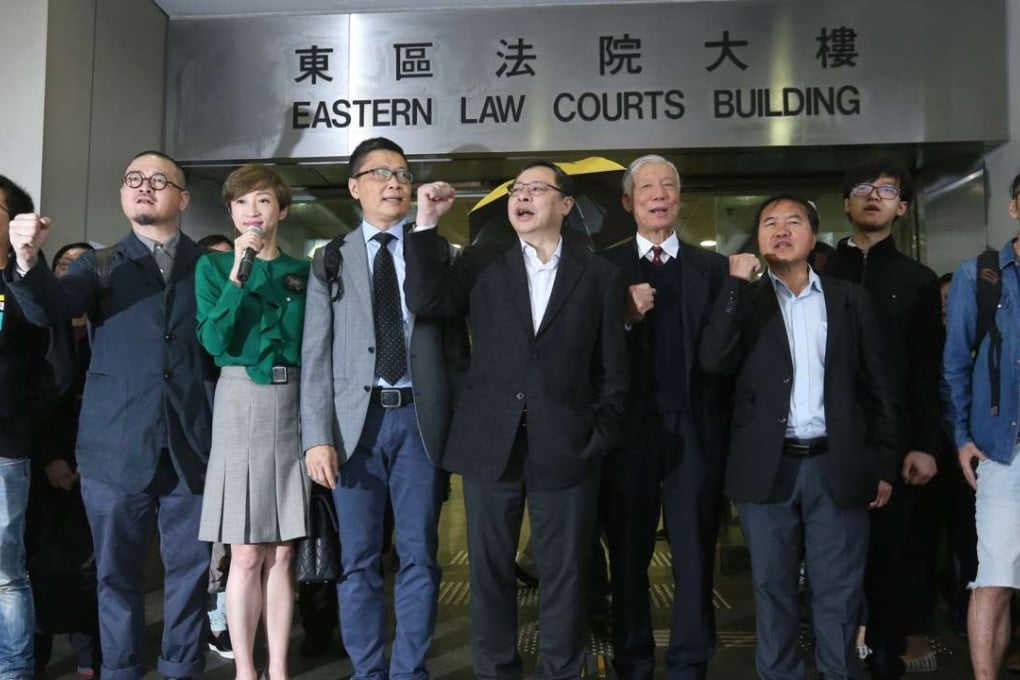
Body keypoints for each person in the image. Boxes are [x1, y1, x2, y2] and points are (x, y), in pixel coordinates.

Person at [404, 160, 629, 679]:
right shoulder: (483, 260)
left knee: (565, 573)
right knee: (488, 570)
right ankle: (495, 670)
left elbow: (613, 370)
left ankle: (560, 670)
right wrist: (427, 222)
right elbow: (426, 298)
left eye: (535, 188)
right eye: (516, 189)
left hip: (568, 444)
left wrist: (599, 435)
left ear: (566, 205)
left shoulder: (598, 275)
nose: (521, 197)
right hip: (491, 441)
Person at [6, 150, 216, 680]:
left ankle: (181, 669)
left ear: (183, 198)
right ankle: (120, 670)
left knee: (190, 574)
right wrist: (27, 260)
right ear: (123, 194)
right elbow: (49, 307)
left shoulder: (210, 265)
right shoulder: (97, 265)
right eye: (133, 179)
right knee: (115, 577)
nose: (144, 186)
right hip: (114, 449)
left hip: (194, 446)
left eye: (158, 180)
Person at [700, 195, 899, 680]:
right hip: (768, 469)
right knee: (772, 588)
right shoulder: (746, 302)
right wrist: (733, 285)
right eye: (770, 223)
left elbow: (879, 386)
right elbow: (713, 360)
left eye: (793, 222)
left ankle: (839, 672)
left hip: (836, 464)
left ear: (814, 236)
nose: (781, 230)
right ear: (758, 238)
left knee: (838, 591)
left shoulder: (848, 299)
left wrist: (883, 464)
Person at [301, 137, 464, 679]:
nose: (394, 182)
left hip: (419, 420)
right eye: (380, 173)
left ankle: (409, 671)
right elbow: (315, 355)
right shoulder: (329, 258)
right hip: (355, 427)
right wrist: (316, 436)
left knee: (420, 555)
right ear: (354, 187)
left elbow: (454, 347)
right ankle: (368, 670)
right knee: (358, 561)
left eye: (402, 174)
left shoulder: (436, 251)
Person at [598, 154, 730, 680]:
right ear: (628, 201)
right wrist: (623, 318)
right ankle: (632, 661)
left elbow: (727, 354)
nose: (659, 194)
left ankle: (690, 662)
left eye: (668, 185)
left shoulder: (713, 269)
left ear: (679, 197)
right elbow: (584, 352)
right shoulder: (601, 268)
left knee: (695, 553)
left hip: (695, 430)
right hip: (627, 434)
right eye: (647, 187)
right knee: (628, 555)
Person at [823, 161, 943, 677]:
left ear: (903, 208)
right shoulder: (821, 271)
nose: (874, 197)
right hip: (830, 439)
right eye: (863, 188)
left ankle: (886, 658)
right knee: (831, 559)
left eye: (887, 191)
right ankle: (836, 658)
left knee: (893, 558)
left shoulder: (917, 280)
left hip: (897, 443)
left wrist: (925, 443)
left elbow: (928, 371)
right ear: (845, 203)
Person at [195, 163, 309, 680]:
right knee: (245, 553)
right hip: (240, 399)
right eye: (241, 203)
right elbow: (213, 341)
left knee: (283, 552)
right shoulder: (213, 267)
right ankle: (245, 669)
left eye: (262, 200)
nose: (252, 212)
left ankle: (278, 667)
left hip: (295, 402)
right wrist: (238, 273)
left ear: (281, 209)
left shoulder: (305, 270)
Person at [943, 171, 1020, 679]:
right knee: (995, 579)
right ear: (1014, 207)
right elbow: (955, 364)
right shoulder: (981, 275)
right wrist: (962, 437)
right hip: (1002, 448)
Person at [29, 241, 101, 680]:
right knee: (37, 565)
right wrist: (51, 458)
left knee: (91, 568)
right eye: (64, 264)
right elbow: (28, 398)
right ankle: (33, 658)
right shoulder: (37, 325)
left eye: (82, 264)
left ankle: (90, 657)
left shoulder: (107, 325)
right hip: (43, 462)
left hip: (97, 463)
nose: (72, 271)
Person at [0, 175, 54, 680]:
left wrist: (25, 261)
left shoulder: (23, 282)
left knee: (4, 570)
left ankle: (15, 670)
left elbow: (47, 362)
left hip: (5, 443)